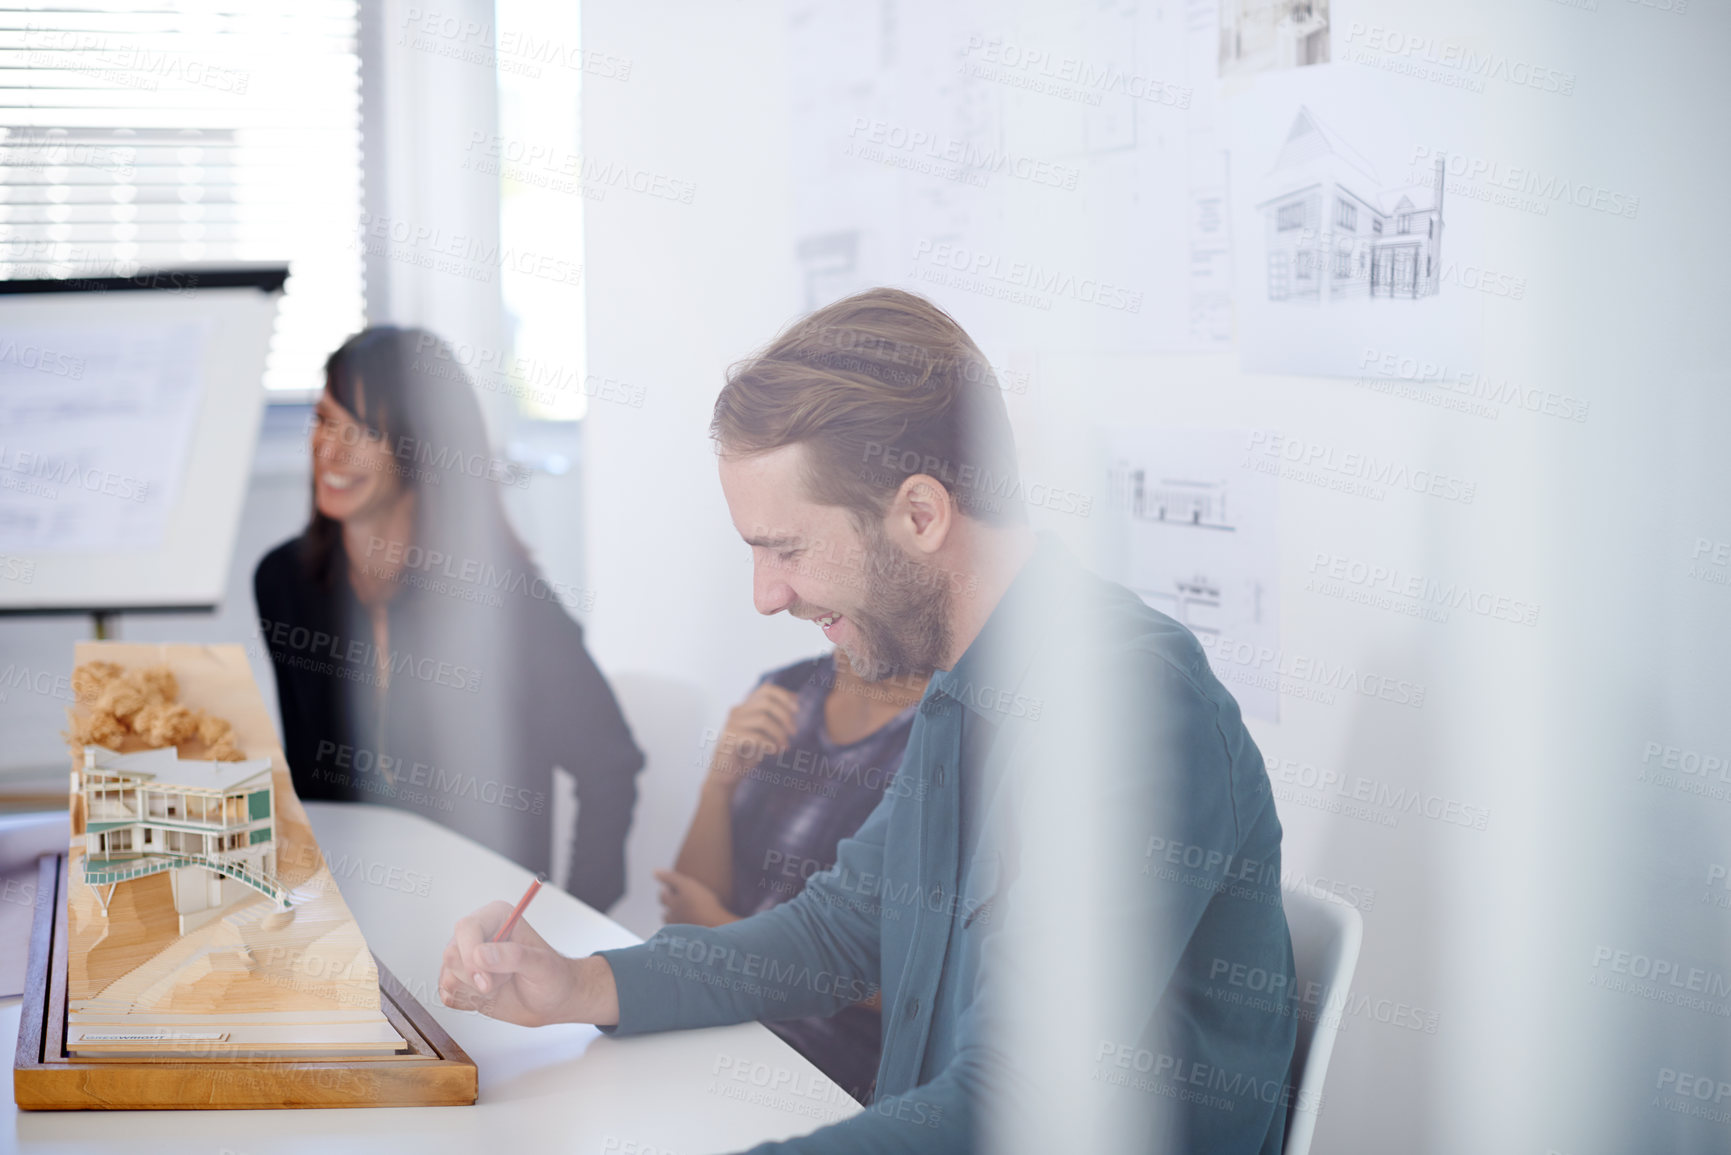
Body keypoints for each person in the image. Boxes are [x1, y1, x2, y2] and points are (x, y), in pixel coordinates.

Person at [439, 290, 1298, 1152]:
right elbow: (835, 929)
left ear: (920, 514)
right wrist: (580, 986)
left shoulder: (1130, 710)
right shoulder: (966, 687)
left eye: (788, 548)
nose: (766, 595)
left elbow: (1013, 1107)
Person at [254, 326, 644, 912]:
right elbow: (310, 782)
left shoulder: (508, 606)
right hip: (346, 910)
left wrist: (568, 920)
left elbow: (609, 765)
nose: (328, 450)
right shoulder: (287, 582)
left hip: (475, 921)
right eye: (322, 420)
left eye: (359, 430)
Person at [655, 649, 929, 1102]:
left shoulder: (941, 734)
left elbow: (920, 983)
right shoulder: (787, 687)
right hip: (717, 1006)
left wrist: (723, 932)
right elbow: (685, 909)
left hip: (825, 1058)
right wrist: (718, 785)